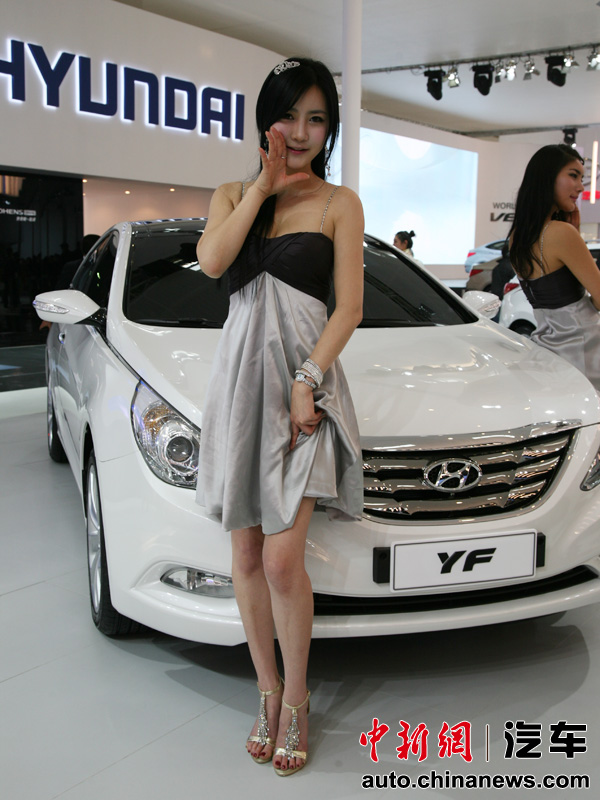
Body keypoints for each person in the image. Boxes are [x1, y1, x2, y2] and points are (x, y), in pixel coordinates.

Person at [195, 57, 364, 776]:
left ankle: (297, 698)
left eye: (317, 119)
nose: (300, 132)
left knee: (280, 559)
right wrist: (263, 186)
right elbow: (212, 262)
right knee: (244, 557)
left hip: (302, 389)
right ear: (265, 120)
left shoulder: (340, 202)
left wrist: (308, 377)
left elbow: (349, 308)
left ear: (330, 130)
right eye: (289, 115)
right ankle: (265, 690)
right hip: (241, 388)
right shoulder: (233, 193)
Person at [509, 143, 600, 390]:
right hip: (586, 349)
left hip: (550, 351)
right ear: (547, 177)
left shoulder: (516, 238)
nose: (581, 187)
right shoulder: (561, 233)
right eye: (573, 175)